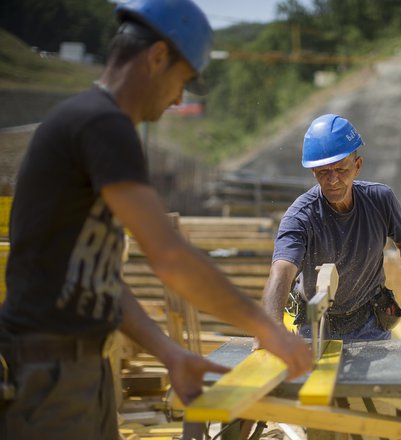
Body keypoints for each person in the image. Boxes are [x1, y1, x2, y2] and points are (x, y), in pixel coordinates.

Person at [0, 1, 312, 438]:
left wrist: (170, 354)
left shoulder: (91, 124)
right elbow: (169, 257)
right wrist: (266, 327)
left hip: (75, 369)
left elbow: (101, 280)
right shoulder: (102, 124)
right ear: (159, 56)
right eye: (183, 80)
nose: (179, 98)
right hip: (52, 372)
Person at [262, 114, 401, 341]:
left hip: (370, 321)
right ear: (314, 172)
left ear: (357, 166)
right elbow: (282, 271)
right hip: (313, 326)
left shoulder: (380, 200)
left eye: (341, 170)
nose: (333, 180)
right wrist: (270, 326)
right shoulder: (301, 216)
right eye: (323, 172)